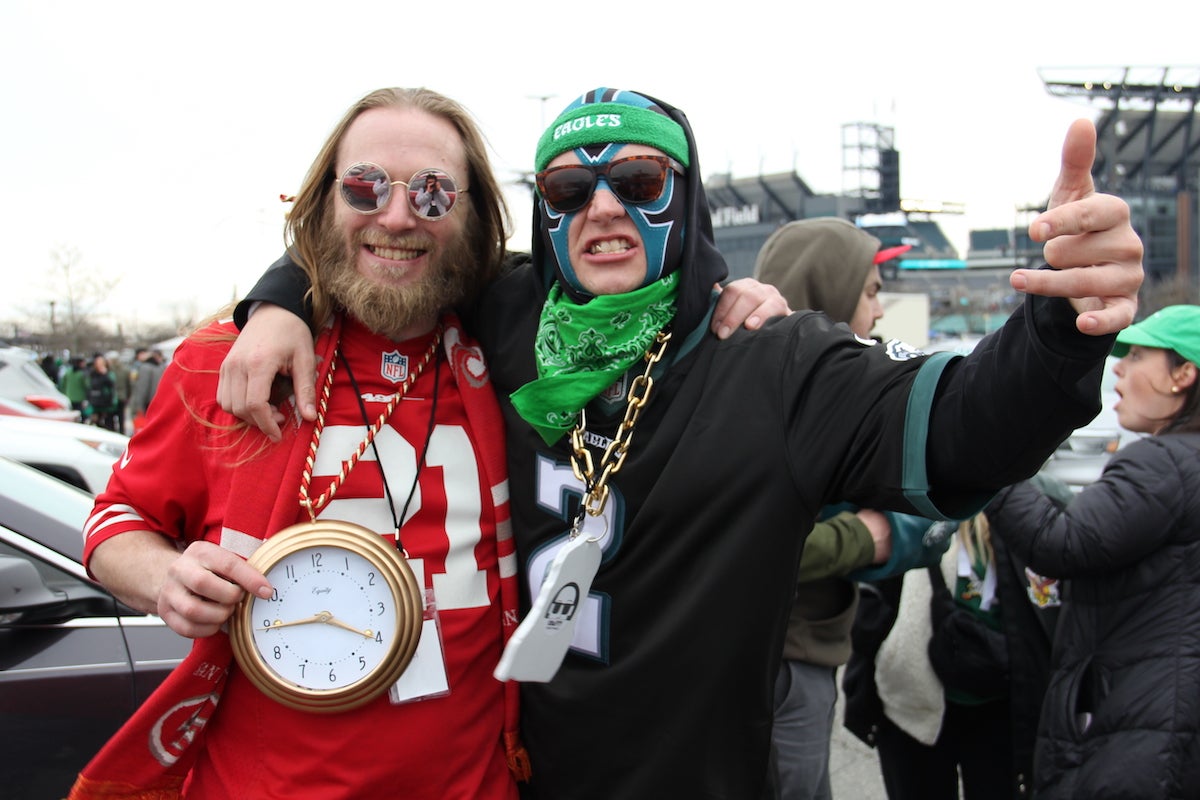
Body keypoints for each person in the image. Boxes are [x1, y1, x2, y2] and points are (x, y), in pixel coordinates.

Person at [218, 88, 1142, 799]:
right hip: (511, 777)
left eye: (642, 183)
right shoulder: (502, 315)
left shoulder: (773, 361)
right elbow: (386, 245)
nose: (605, 208)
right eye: (573, 188)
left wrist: (1058, 330)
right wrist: (277, 301)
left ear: (686, 198)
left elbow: (964, 429)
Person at [71, 87, 781, 800]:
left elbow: (641, 301)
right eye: (364, 188)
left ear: (474, 219)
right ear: (323, 203)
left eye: (435, 194)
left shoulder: (515, 347)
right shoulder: (226, 361)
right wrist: (165, 580)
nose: (398, 216)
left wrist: (722, 295)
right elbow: (115, 523)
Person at [752, 217, 945, 800]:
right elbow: (737, 541)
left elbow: (933, 501)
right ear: (828, 291)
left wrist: (887, 531)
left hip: (801, 651)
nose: (881, 311)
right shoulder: (744, 392)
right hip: (781, 657)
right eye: (870, 291)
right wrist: (856, 540)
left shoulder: (862, 388)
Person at [982, 304, 1200, 799]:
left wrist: (988, 466)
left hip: (1142, 716)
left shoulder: (1164, 462)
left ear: (1183, 375)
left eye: (1139, 355)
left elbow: (1064, 544)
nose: (1118, 367)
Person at [843, 476, 1070, 800]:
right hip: (911, 707)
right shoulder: (905, 495)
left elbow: (1049, 616)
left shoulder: (1034, 504)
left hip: (997, 712)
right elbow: (867, 598)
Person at [129, 346, 164, 426]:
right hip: (158, 403)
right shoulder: (160, 367)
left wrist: (139, 406)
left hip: (147, 404)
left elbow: (142, 388)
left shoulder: (145, 368)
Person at [85, 352, 117, 430]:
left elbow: (112, 385)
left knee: (108, 423)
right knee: (95, 422)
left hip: (106, 403)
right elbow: (89, 386)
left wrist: (105, 374)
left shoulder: (109, 374)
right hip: (95, 402)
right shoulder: (92, 374)